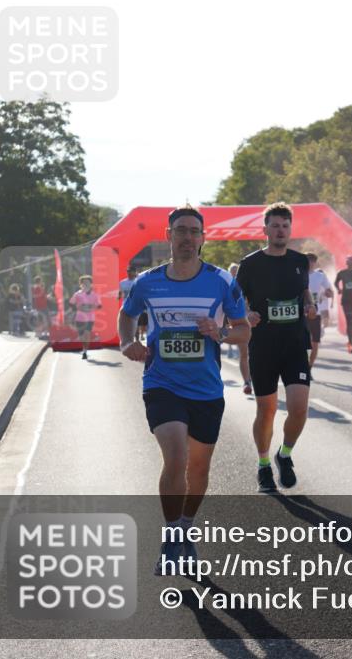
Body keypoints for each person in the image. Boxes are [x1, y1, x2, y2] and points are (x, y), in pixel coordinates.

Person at [118, 205, 250, 575]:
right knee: (175, 456)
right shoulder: (148, 281)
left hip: (206, 389)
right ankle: (172, 537)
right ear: (169, 235)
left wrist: (221, 332)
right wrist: (127, 342)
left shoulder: (222, 281)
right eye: (181, 231)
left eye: (194, 231)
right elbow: (127, 313)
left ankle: (185, 526)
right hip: (162, 383)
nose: (188, 238)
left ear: (203, 238)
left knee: (199, 467)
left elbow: (243, 330)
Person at [235, 203, 318, 493]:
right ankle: (263, 465)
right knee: (266, 410)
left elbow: (303, 290)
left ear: (290, 230)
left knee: (299, 409)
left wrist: (309, 304)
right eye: (275, 225)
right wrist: (247, 313)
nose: (280, 230)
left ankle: (284, 454)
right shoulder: (250, 264)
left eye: (285, 225)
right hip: (264, 347)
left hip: (295, 344)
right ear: (265, 229)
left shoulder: (299, 261)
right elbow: (237, 298)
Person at [306, 252, 334, 368]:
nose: (310, 263)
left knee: (315, 344)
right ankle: (302, 365)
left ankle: (309, 367)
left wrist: (328, 293)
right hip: (301, 314)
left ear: (315, 263)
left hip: (316, 314)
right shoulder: (298, 274)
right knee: (301, 344)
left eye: (313, 261)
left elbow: (330, 291)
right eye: (308, 261)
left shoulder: (320, 276)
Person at [70, 275, 101, 359]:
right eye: (84, 282)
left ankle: (85, 351)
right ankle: (84, 348)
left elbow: (99, 306)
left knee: (87, 335)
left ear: (91, 284)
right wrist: (78, 307)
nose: (86, 284)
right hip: (79, 318)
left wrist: (91, 307)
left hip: (90, 318)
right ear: (81, 284)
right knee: (81, 337)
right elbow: (71, 304)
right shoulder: (77, 294)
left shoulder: (94, 295)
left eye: (88, 282)